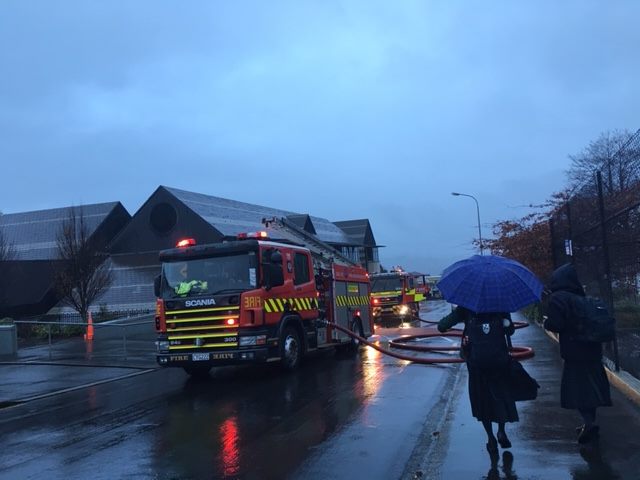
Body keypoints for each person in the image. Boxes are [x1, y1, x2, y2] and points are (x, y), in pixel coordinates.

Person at [543, 263, 612, 444]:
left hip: (574, 352)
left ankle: (588, 423)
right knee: (591, 388)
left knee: (578, 391)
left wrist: (546, 322)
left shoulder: (558, 298)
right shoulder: (580, 297)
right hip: (592, 350)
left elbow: (556, 325)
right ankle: (589, 422)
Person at [438, 307, 518, 456]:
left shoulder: (466, 306)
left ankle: (490, 438)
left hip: (476, 363)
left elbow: (442, 326)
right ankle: (501, 431)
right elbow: (510, 331)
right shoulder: (500, 305)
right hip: (499, 361)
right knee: (501, 395)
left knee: (482, 399)